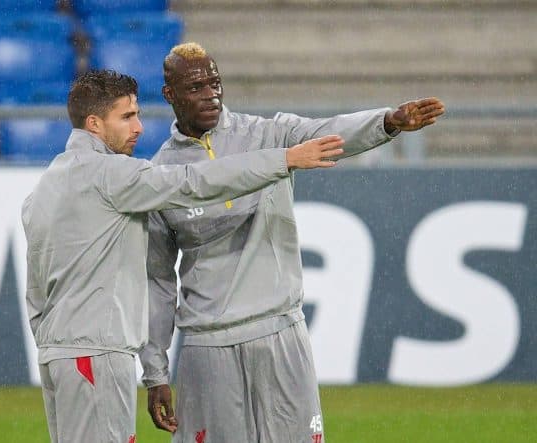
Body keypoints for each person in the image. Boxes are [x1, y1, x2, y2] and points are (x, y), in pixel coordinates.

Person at [139, 42, 446, 443]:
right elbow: (158, 282)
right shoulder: (161, 174)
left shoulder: (268, 134)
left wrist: (387, 121)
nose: (210, 94)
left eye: (215, 83)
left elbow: (329, 132)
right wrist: (155, 372)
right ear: (170, 95)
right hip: (207, 347)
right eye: (196, 87)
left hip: (279, 333)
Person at [21, 69, 347, 443]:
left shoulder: (45, 187)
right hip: (95, 354)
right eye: (127, 116)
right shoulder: (111, 175)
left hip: (57, 357)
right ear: (94, 123)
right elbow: (194, 182)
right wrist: (283, 159)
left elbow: (36, 290)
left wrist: (52, 342)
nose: (139, 127)